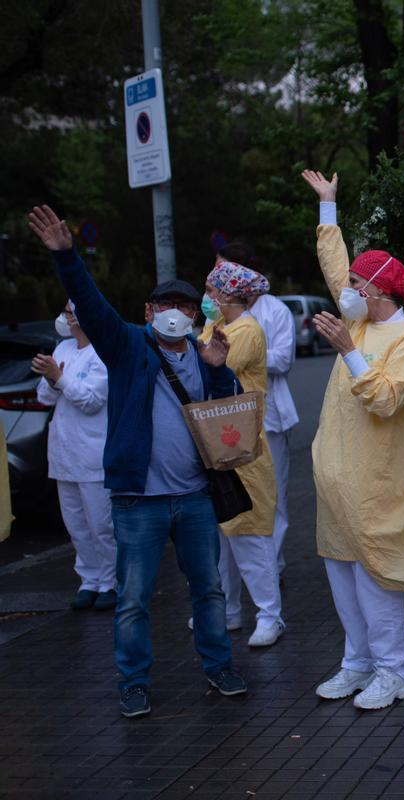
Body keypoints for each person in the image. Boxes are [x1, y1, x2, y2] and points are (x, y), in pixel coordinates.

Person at [27, 205, 249, 719]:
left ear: (196, 316)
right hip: (138, 502)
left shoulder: (204, 354)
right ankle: (133, 682)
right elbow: (92, 304)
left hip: (194, 497)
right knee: (132, 599)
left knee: (209, 590)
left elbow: (224, 420)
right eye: (166, 304)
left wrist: (218, 373)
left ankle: (218, 667)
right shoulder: (127, 346)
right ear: (149, 312)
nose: (177, 312)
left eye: (186, 306)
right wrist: (66, 256)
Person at [300, 168, 404, 711]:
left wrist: (348, 349)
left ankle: (395, 672)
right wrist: (328, 207)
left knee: (377, 575)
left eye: (358, 287)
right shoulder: (365, 322)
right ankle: (358, 663)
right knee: (342, 570)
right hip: (338, 476)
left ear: (381, 292)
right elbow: (335, 265)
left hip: (379, 480)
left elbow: (386, 399)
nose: (348, 291)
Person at [198, 262, 283, 647]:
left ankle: (270, 615)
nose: (208, 298)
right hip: (218, 442)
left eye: (211, 290)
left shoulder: (246, 331)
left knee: (250, 534)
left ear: (229, 295)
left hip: (243, 446)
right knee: (222, 538)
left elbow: (208, 366)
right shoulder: (220, 329)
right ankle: (228, 610)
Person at [217, 241, 298, 577]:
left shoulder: (275, 310)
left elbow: (284, 358)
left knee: (271, 492)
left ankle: (271, 563)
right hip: (231, 418)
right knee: (235, 493)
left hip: (270, 415)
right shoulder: (220, 315)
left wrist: (251, 353)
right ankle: (241, 566)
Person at [33, 300, 116, 610]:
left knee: (101, 524)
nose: (65, 318)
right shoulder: (63, 349)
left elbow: (91, 400)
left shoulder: (103, 352)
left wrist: (59, 378)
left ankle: (111, 581)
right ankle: (89, 580)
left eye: (69, 313)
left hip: (92, 454)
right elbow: (44, 395)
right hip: (64, 453)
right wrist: (54, 377)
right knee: (77, 525)